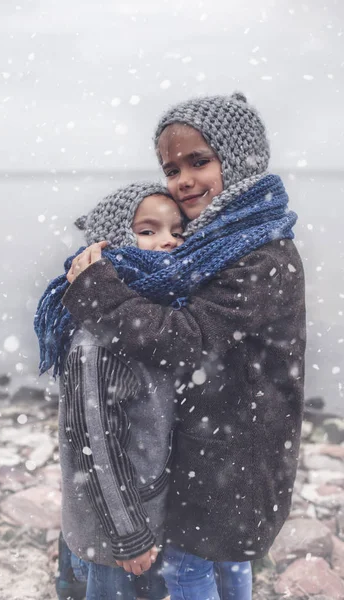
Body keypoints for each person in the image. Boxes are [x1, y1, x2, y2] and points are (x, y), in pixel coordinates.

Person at [61, 92, 306, 600]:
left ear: (239, 161)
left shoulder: (259, 254)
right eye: (171, 168)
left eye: (199, 161)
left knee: (188, 568)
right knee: (226, 567)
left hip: (228, 460)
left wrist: (100, 292)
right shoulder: (225, 238)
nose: (183, 180)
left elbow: (189, 342)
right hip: (226, 451)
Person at [37, 182, 183, 600]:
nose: (168, 240)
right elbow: (95, 447)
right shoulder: (98, 341)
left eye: (177, 230)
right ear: (112, 243)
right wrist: (129, 534)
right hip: (116, 530)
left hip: (139, 509)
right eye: (148, 230)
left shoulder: (152, 317)